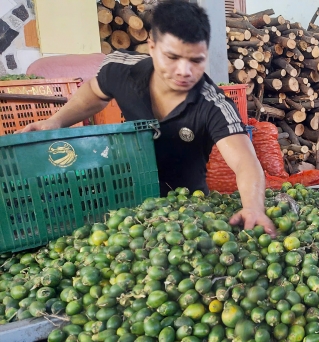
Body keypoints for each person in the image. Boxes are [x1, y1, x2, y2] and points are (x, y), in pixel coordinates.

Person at [19, 0, 276, 236]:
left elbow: (245, 162)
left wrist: (253, 207)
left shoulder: (213, 104)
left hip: (185, 213)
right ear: (152, 47)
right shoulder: (122, 69)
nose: (184, 71)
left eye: (196, 60)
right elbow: (95, 93)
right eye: (172, 57)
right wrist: (57, 121)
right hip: (126, 203)